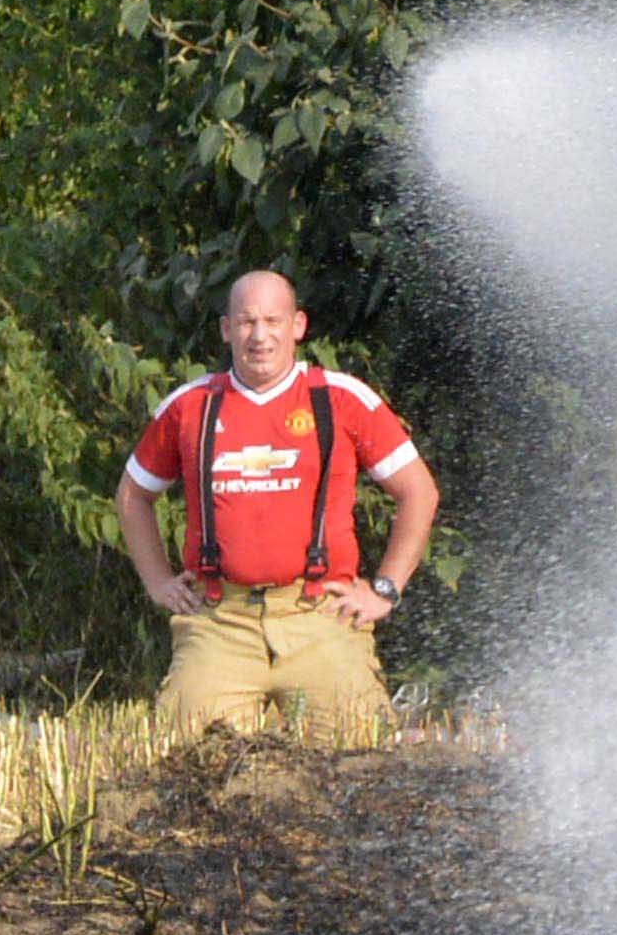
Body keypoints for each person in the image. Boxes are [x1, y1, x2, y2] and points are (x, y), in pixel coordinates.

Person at [113, 271, 439, 744]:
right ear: (226, 330)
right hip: (219, 622)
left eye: (273, 320)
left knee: (362, 761)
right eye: (246, 322)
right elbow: (132, 495)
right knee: (185, 763)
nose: (260, 336)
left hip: (319, 618)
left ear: (298, 325)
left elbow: (419, 492)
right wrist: (158, 581)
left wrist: (385, 589)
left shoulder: (341, 400)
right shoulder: (192, 406)